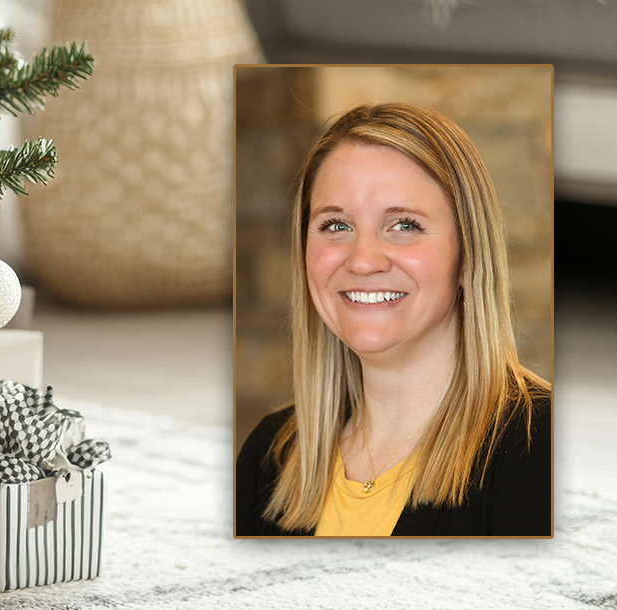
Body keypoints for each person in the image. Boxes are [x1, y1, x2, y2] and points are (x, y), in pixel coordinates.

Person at [235, 102, 551, 536]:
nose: (363, 261)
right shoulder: (268, 458)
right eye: (335, 225)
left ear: (468, 255)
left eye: (404, 225)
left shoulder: (540, 448)